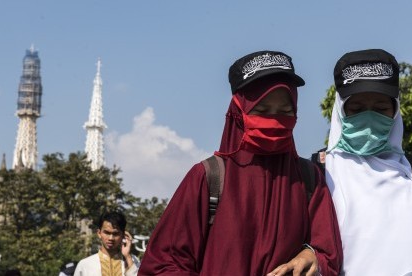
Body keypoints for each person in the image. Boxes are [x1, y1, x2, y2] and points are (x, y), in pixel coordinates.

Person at [138, 50, 343, 275]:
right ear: (238, 112)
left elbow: (329, 254)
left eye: (284, 111)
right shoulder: (207, 178)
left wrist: (311, 256)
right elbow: (162, 264)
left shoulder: (309, 179)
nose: (274, 120)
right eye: (262, 111)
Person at [324, 48, 412, 275]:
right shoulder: (320, 172)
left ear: (395, 111)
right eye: (356, 109)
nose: (369, 117)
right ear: (340, 111)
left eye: (381, 109)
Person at [74, 211, 139, 276]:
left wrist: (127, 257)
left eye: (115, 234)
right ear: (99, 233)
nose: (111, 238)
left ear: (123, 235)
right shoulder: (85, 265)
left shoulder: (133, 261)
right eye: (107, 233)